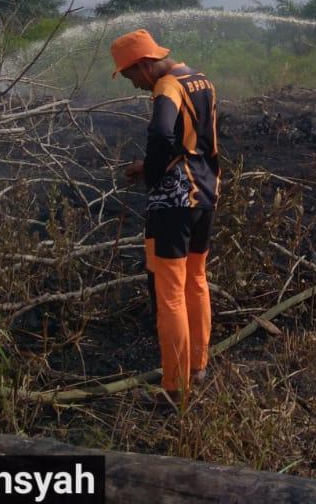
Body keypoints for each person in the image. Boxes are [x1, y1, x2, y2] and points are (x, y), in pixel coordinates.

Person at [111, 28, 220, 407]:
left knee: (169, 291)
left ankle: (174, 388)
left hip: (174, 202)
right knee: (197, 279)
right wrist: (154, 164)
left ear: (144, 65)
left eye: (130, 77)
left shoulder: (167, 87)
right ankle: (198, 367)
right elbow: (194, 141)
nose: (135, 86)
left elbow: (160, 133)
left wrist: (154, 173)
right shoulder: (201, 79)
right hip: (205, 192)